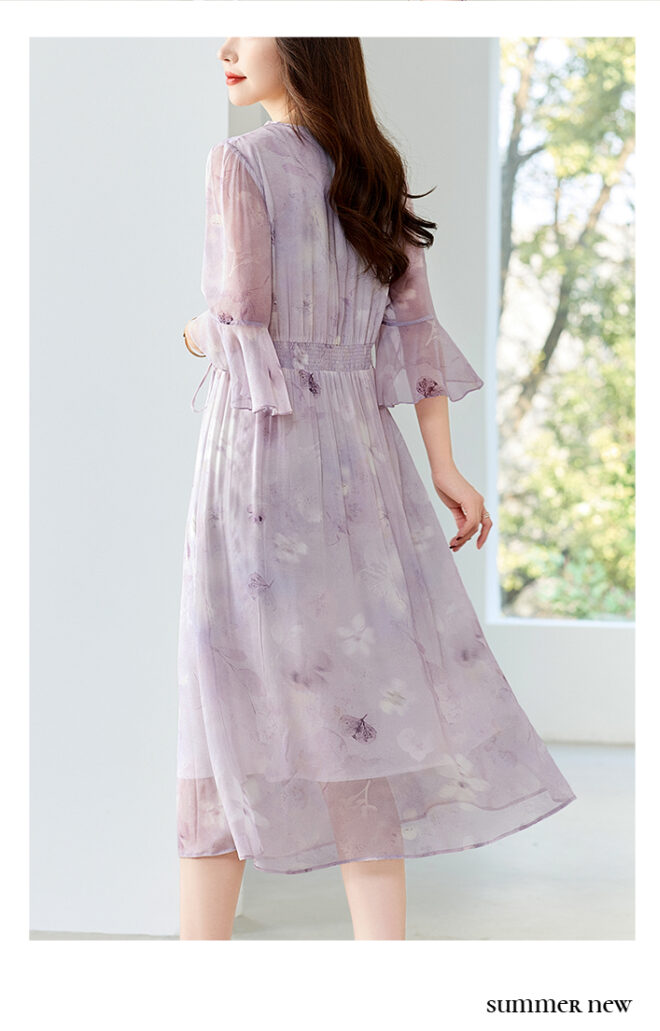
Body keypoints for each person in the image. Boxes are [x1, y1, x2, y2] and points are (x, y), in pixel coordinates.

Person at [178, 38, 576, 942]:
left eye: (253, 23)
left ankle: (198, 975)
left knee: (225, 705)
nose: (226, 45)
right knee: (356, 706)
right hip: (364, 461)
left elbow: (239, 321)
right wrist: (444, 467)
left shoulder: (241, 162)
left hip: (261, 460)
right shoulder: (374, 169)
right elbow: (414, 328)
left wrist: (190, 334)